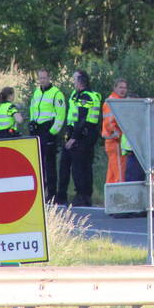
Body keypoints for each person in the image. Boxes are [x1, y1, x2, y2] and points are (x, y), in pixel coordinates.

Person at [56, 69, 102, 206]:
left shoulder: (86, 96)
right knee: (78, 165)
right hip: (79, 131)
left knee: (79, 167)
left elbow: (82, 118)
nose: (73, 82)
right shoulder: (78, 95)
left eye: (75, 80)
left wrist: (73, 138)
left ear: (81, 82)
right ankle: (79, 195)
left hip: (83, 134)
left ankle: (82, 196)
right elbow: (73, 117)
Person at [28, 69, 66, 202]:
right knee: (38, 163)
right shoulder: (37, 92)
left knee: (50, 164)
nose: (42, 80)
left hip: (48, 129)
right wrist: (32, 122)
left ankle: (52, 193)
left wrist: (52, 132)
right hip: (37, 129)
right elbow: (33, 108)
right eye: (40, 78)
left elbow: (60, 116)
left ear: (49, 78)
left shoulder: (57, 94)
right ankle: (41, 192)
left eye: (44, 78)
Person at [101, 78, 129, 184]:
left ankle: (110, 197)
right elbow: (109, 124)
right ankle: (120, 197)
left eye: (125, 88)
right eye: (120, 87)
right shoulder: (112, 102)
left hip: (114, 142)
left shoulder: (117, 101)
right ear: (115, 88)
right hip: (116, 142)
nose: (123, 90)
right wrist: (119, 137)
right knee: (119, 173)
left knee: (113, 173)